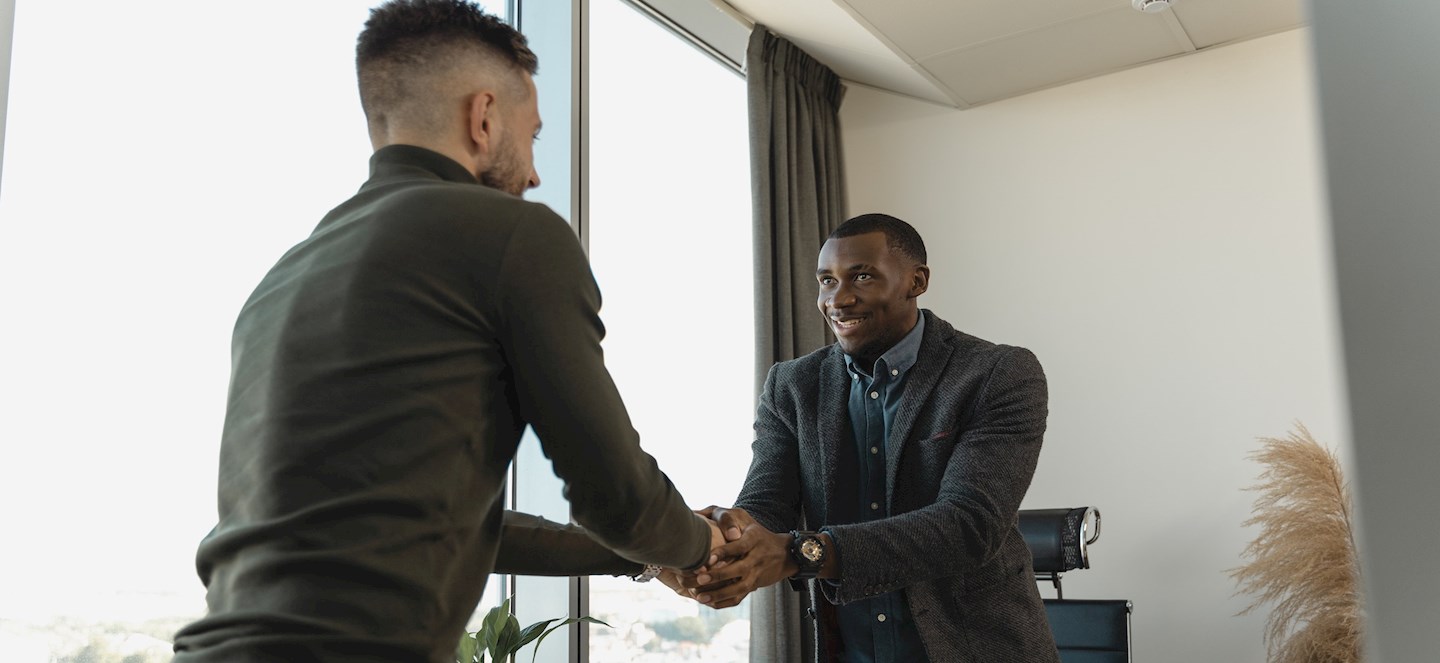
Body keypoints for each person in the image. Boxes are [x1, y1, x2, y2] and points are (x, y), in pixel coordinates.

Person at [172, 2, 719, 661]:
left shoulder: (284, 277)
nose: (537, 174)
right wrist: (705, 545)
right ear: (483, 117)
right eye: (533, 136)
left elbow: (443, 524)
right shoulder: (511, 233)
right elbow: (617, 495)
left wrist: (639, 560)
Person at [679, 213, 1060, 662]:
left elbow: (969, 526)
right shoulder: (792, 385)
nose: (838, 299)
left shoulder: (997, 374)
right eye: (826, 281)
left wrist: (805, 552)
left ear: (916, 281)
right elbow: (767, 507)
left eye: (862, 276)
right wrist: (720, 534)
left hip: (979, 649)